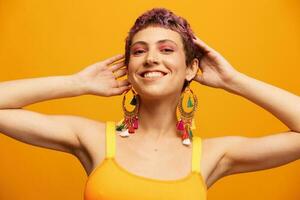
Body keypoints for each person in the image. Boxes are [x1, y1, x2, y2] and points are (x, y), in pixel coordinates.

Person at [0, 7, 299, 200]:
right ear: (130, 68)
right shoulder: (92, 138)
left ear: (192, 68)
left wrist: (234, 80)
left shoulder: (211, 155)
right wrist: (75, 83)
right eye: (139, 51)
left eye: (167, 49)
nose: (151, 58)